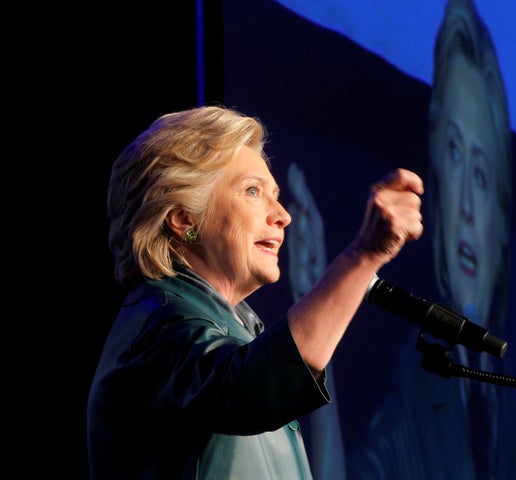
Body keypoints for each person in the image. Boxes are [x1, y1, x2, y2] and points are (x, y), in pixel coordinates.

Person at [86, 104, 424, 480]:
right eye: (252, 191)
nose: (282, 214)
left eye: (276, 194)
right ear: (184, 220)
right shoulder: (158, 326)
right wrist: (362, 257)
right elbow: (249, 388)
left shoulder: (232, 329)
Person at [344, 0, 516, 478]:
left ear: (502, 217)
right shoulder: (409, 377)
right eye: (452, 154)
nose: (464, 208)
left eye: (481, 174)